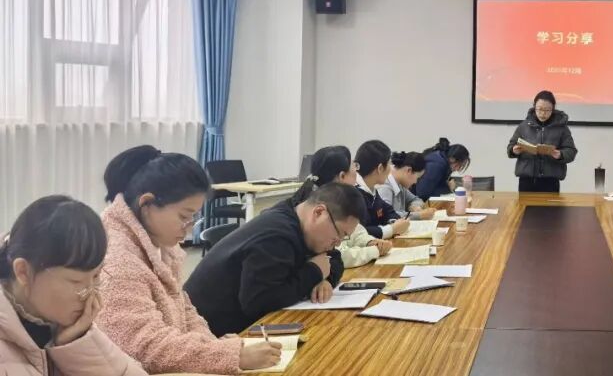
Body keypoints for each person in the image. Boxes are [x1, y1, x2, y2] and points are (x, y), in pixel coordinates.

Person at [96, 146, 280, 374]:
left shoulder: (159, 246)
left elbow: (186, 314)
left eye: (193, 217)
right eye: (184, 216)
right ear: (147, 204)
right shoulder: (117, 260)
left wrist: (215, 348)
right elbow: (144, 348)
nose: (190, 227)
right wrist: (231, 356)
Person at [185, 182, 361, 336]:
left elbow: (334, 260)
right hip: (205, 334)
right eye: (339, 234)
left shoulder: (301, 222)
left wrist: (326, 280)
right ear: (319, 212)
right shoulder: (276, 236)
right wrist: (313, 273)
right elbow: (259, 302)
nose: (337, 243)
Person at [0, 195, 147, 375]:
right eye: (75, 281)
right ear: (23, 271)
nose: (89, 294)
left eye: (96, 275)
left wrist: (78, 344)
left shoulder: (61, 321)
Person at [292, 146, 389, 268]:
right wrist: (374, 251)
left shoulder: (339, 199)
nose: (357, 172)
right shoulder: (320, 205)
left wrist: (369, 241)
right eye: (354, 166)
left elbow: (354, 230)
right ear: (342, 176)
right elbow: (337, 255)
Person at [507, 90, 578, 193]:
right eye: (539, 109)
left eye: (547, 110)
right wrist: (514, 150)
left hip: (550, 182)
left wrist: (560, 154)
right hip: (526, 181)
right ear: (534, 107)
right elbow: (511, 147)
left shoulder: (562, 128)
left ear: (553, 109)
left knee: (550, 204)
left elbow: (571, 151)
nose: (543, 113)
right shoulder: (524, 126)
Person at [354, 140, 410, 240]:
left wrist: (395, 222)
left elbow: (387, 210)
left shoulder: (371, 188)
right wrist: (392, 229)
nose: (391, 169)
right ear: (380, 168)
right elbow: (359, 231)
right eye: (389, 164)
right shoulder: (353, 194)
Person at [376, 152, 436, 220]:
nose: (415, 182)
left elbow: (416, 199)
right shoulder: (384, 186)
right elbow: (385, 214)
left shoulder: (400, 184)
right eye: (417, 178)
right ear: (409, 170)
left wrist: (415, 207)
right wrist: (419, 215)